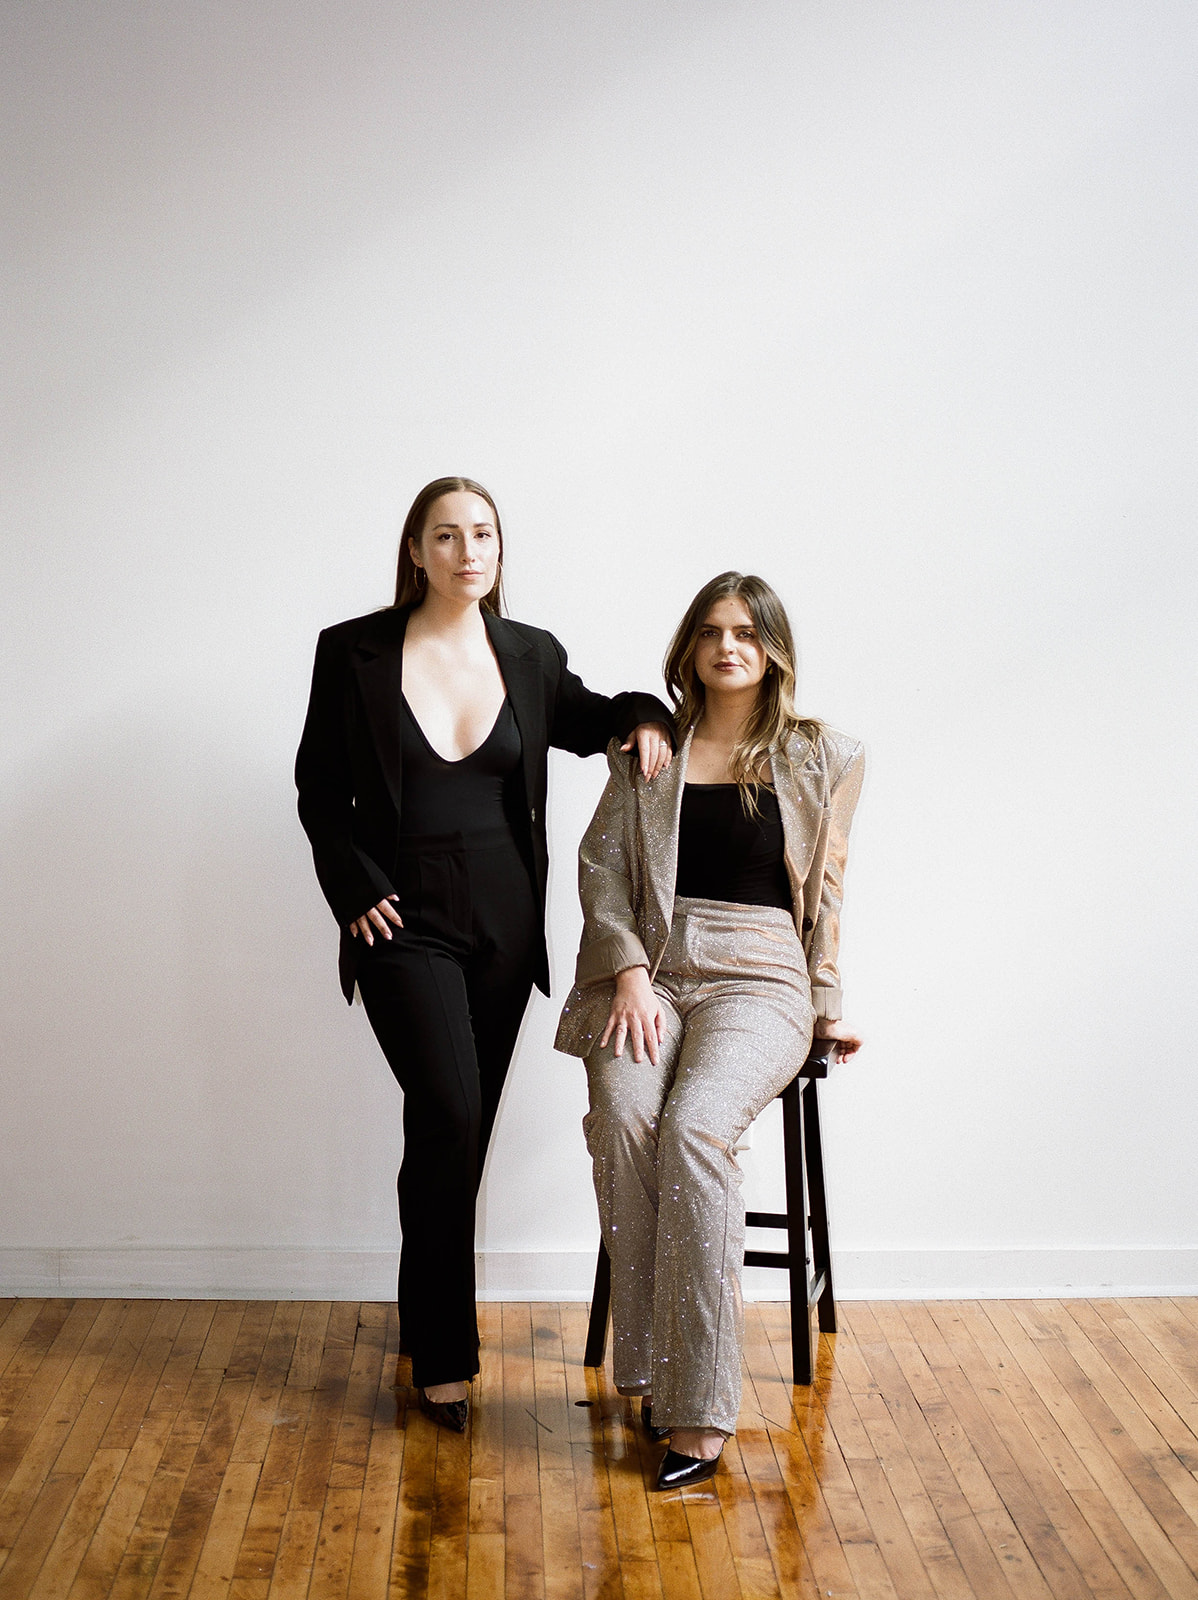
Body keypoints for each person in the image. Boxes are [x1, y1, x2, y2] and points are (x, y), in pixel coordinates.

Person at [295, 477, 673, 1431]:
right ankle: (445, 1359)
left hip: (504, 932)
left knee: (454, 1138)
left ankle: (426, 1325)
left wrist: (649, 719)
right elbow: (316, 792)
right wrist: (351, 890)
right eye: (448, 535)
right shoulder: (354, 653)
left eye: (485, 535)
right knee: (449, 1110)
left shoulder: (532, 656)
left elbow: (597, 718)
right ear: (415, 550)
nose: (470, 551)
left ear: (500, 549)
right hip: (401, 924)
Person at [555, 571, 864, 1488]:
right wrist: (631, 973)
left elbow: (830, 889)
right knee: (623, 1118)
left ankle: (698, 1410)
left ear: (772, 647)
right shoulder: (649, 751)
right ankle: (651, 1368)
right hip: (649, 967)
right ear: (689, 648)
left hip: (761, 975)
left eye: (747, 631)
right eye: (711, 632)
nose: (729, 646)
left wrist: (829, 1000)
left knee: (694, 1130)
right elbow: (601, 871)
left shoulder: (826, 755)